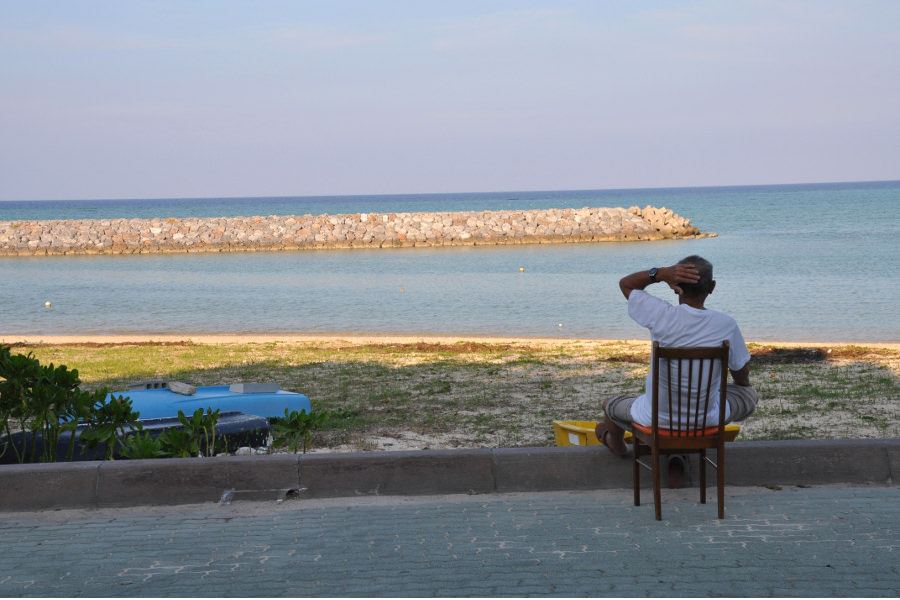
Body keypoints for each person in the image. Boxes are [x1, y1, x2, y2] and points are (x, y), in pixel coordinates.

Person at [595, 255, 758, 488]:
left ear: (676, 289)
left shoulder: (661, 316)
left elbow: (627, 284)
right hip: (706, 421)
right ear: (712, 288)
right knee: (748, 394)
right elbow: (741, 374)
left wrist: (660, 274)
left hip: (655, 420)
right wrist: (743, 387)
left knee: (610, 405)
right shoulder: (726, 325)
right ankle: (678, 454)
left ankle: (617, 444)